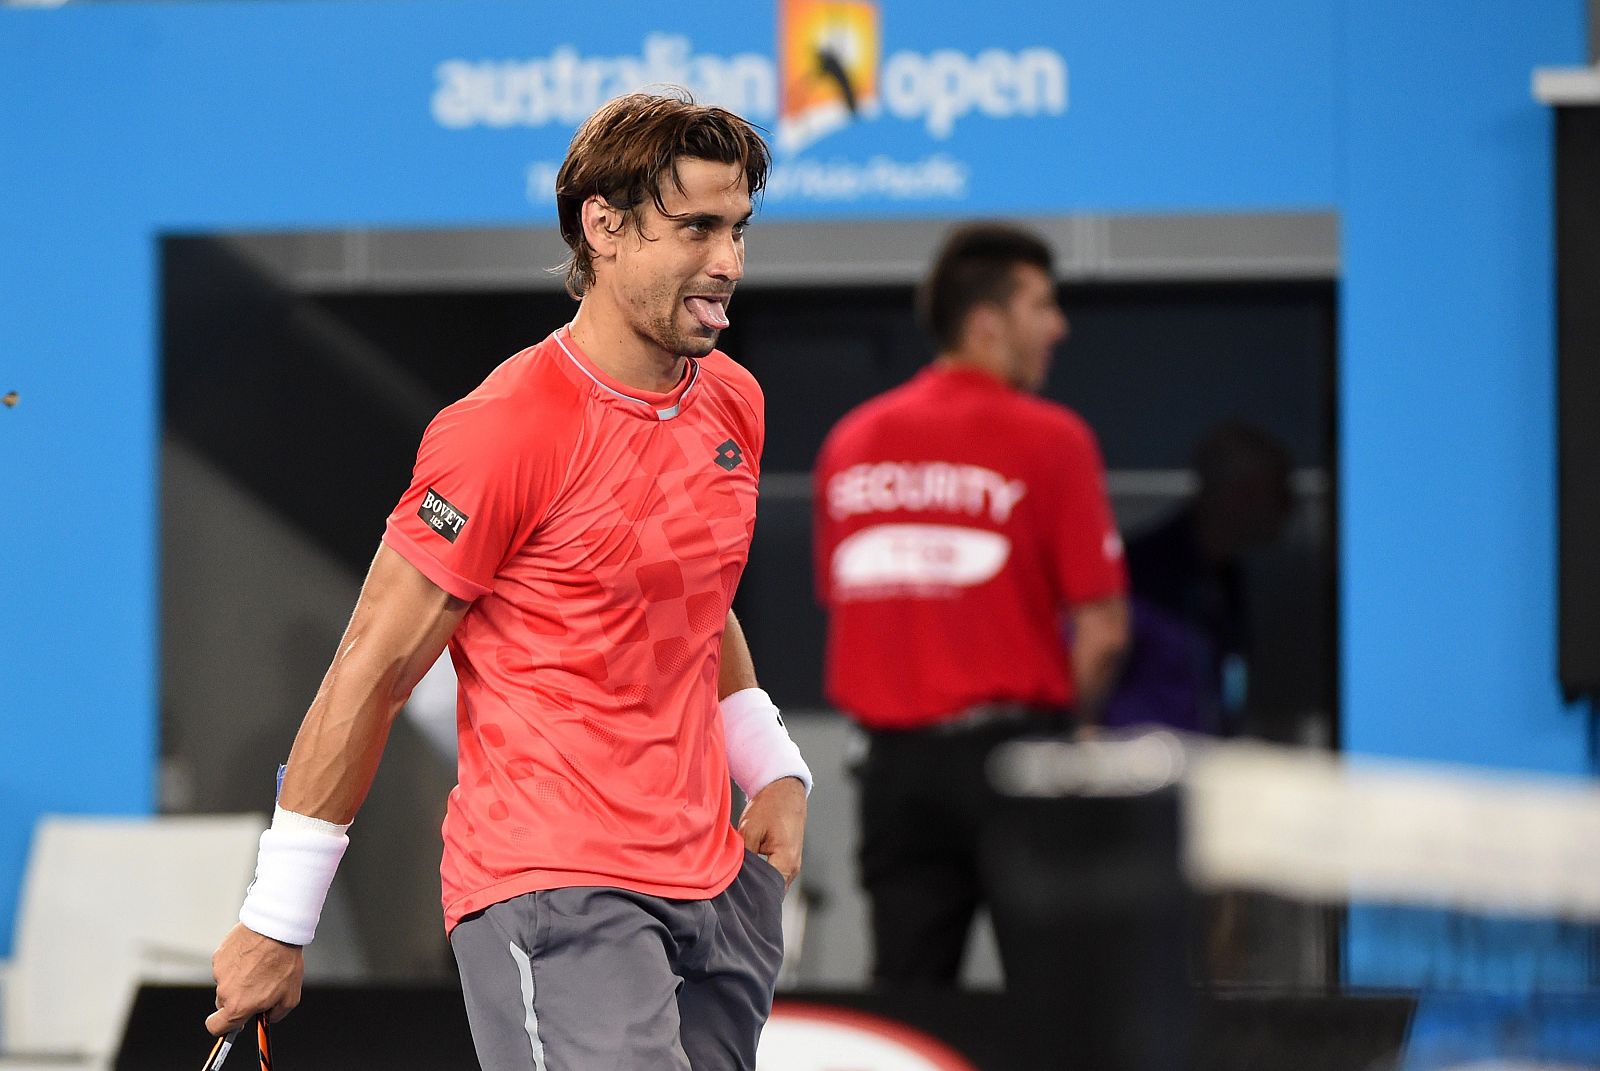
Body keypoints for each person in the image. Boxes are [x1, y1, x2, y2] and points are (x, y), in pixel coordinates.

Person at [207, 91, 812, 1071]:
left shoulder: (732, 401)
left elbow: (691, 591)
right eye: (696, 228)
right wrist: (280, 916)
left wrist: (770, 760)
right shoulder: (503, 430)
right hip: (556, 888)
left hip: (715, 889)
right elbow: (373, 666)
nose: (728, 264)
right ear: (603, 227)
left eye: (737, 228)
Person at [812, 223, 1130, 987]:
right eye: (1042, 307)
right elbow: (1105, 631)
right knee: (1057, 1006)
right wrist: (1066, 733)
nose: (1059, 327)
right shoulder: (1052, 439)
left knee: (911, 1007)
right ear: (988, 324)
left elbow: (847, 601)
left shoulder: (850, 442)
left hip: (892, 771)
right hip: (1020, 761)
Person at [1107, 421, 1295, 737]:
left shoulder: (1225, 576)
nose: (1289, 509)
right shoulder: (1142, 571)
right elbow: (1098, 650)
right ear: (1242, 494)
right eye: (1279, 492)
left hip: (1204, 763)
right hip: (1140, 764)